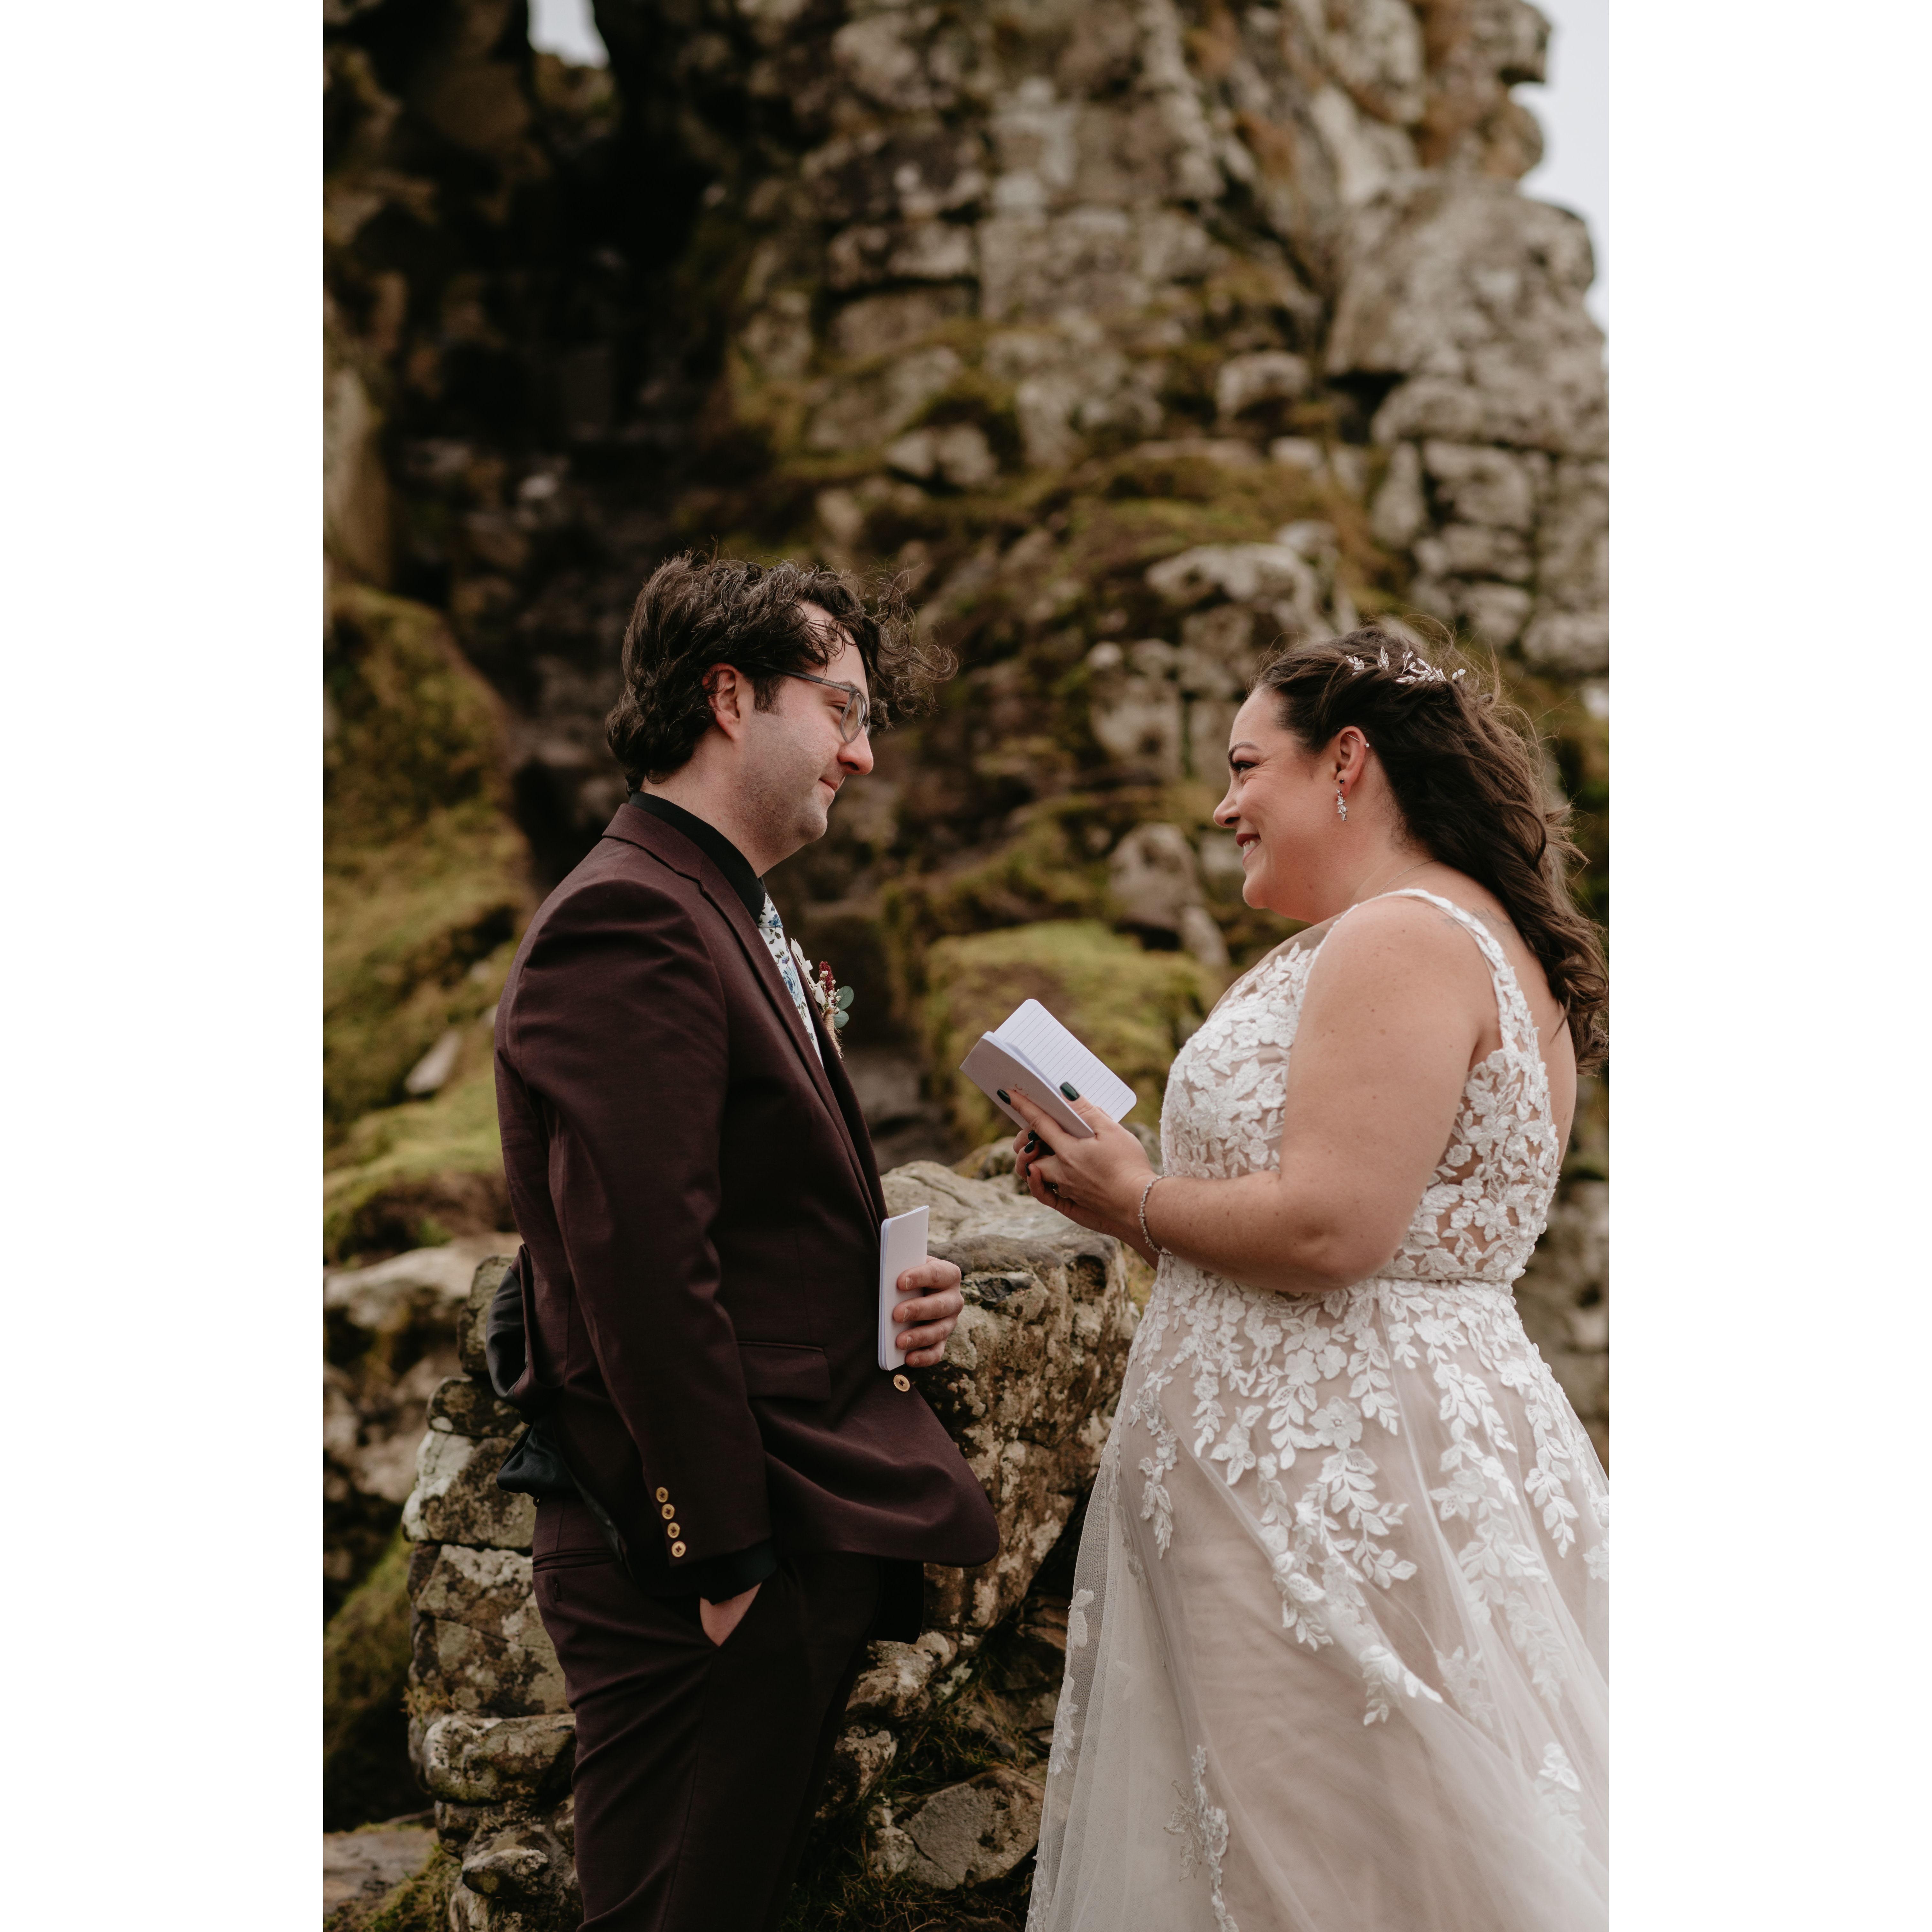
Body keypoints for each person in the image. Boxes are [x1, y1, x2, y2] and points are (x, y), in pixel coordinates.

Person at [1013, 628, 1609, 1932]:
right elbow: (1366, 1221)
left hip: (1331, 1479)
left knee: (1328, 1866)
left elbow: (1338, 1230)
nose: (1222, 805)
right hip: (1379, 1448)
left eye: (1244, 766)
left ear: (1348, 761)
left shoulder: (1399, 934)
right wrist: (1136, 1216)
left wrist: (1140, 1195)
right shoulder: (1436, 934)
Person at [490, 555, 999, 1932]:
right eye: (840, 709)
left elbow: (744, 1211)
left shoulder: (724, 905)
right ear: (730, 696)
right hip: (706, 1556)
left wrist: (885, 1291)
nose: (866, 752)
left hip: (784, 1517)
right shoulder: (631, 915)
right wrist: (721, 1566)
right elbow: (642, 1272)